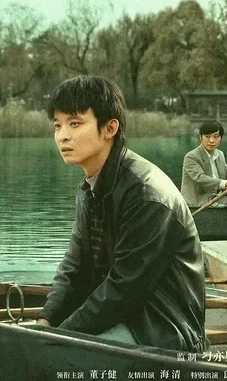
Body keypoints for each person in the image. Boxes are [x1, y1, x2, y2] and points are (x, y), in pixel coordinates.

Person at [37, 75, 207, 352]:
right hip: (123, 317)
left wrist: (56, 337)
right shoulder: (89, 187)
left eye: (75, 123)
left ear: (110, 128)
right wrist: (45, 320)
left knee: (51, 354)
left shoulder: (147, 194)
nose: (63, 135)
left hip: (164, 330)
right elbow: (74, 267)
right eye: (58, 125)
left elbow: (124, 288)